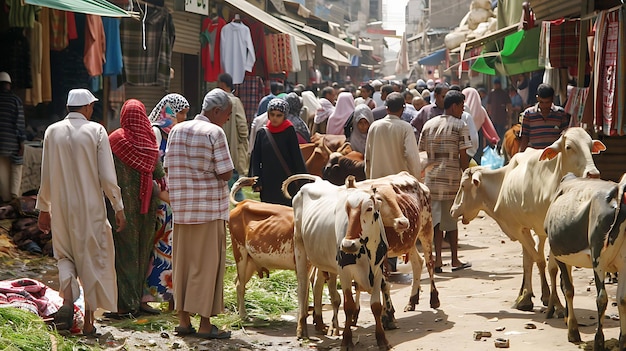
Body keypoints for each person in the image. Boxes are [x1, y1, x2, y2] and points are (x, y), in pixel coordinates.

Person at [37, 88, 127, 335]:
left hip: (62, 208)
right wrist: (118, 207)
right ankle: (88, 323)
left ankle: (67, 304)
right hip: (91, 209)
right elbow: (108, 177)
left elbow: (45, 176)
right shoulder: (96, 131)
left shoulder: (51, 131)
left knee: (65, 257)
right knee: (92, 262)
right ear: (87, 107)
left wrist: (44, 209)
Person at [165, 88, 233, 339]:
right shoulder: (215, 132)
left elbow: (167, 166)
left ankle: (183, 321)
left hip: (182, 210)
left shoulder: (176, 130)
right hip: (208, 211)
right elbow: (226, 172)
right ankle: (205, 325)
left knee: (182, 265)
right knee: (207, 267)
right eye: (227, 114)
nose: (226, 119)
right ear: (216, 111)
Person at [107, 99, 162, 318]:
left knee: (124, 253)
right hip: (148, 207)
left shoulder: (115, 140)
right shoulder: (149, 141)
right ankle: (139, 300)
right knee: (143, 251)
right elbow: (159, 173)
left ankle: (125, 304)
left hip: (121, 207)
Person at [145, 93, 190, 312]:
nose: (183, 117)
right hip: (160, 200)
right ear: (170, 110)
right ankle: (152, 296)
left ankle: (171, 298)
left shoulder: (174, 132)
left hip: (173, 198)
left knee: (171, 250)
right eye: (180, 112)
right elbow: (153, 167)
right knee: (159, 249)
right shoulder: (156, 132)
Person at [418, 90, 472, 273]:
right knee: (452, 220)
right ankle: (455, 260)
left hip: (431, 180)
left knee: (436, 222)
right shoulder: (460, 125)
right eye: (461, 106)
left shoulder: (428, 125)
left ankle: (438, 260)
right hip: (451, 180)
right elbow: (463, 155)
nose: (462, 110)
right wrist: (468, 176)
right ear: (454, 106)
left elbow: (422, 154)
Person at [250, 99, 307, 206]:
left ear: (284, 116)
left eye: (279, 115)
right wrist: (257, 180)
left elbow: (297, 157)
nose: (275, 118)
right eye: (272, 114)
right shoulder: (262, 133)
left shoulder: (289, 131)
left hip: (286, 182)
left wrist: (303, 180)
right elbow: (256, 159)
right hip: (268, 182)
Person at [365, 92, 421, 180]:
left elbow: (367, 158)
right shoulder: (405, 128)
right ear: (403, 109)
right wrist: (416, 179)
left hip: (377, 183)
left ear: (386, 108)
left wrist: (369, 178)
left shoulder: (374, 126)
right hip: (399, 185)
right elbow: (412, 157)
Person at [217, 73, 249, 202]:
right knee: (235, 187)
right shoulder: (235, 101)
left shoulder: (227, 102)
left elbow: (242, 129)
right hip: (232, 153)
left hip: (225, 152)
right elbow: (242, 127)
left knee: (232, 187)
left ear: (222, 84)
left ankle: (240, 211)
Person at [519, 83, 570, 152]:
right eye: (541, 102)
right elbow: (524, 137)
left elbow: (565, 135)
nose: (544, 105)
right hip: (535, 157)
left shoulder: (560, 113)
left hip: (555, 156)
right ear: (537, 98)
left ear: (553, 99)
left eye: (547, 102)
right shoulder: (528, 114)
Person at [0, 72, 25, 203]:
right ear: (9, 85)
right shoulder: (15, 100)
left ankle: (5, 199)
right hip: (12, 142)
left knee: (2, 170)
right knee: (16, 167)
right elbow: (19, 123)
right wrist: (22, 143)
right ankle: (14, 195)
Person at [462, 87, 500, 164]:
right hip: (478, 140)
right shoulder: (481, 110)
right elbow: (487, 127)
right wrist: (493, 138)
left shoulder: (462, 109)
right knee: (476, 163)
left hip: (463, 140)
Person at [486, 78, 512, 143]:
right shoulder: (491, 93)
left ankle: (500, 145)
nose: (496, 86)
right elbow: (488, 105)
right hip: (493, 117)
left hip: (502, 117)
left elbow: (509, 104)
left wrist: (509, 114)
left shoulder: (504, 93)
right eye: (495, 84)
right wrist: (488, 114)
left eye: (497, 84)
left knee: (501, 132)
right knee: (494, 132)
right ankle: (495, 145)